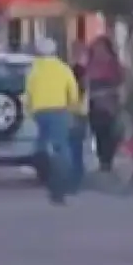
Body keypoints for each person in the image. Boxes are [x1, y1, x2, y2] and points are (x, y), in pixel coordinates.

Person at [26, 38, 81, 204]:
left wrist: (29, 111)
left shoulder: (34, 70)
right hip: (59, 111)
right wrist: (74, 110)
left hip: (39, 112)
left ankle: (45, 172)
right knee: (62, 149)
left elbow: (28, 92)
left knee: (41, 145)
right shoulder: (63, 69)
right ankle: (62, 184)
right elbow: (73, 91)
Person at [84, 35, 125, 172]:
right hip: (94, 105)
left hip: (109, 105)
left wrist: (107, 94)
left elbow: (121, 83)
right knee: (98, 133)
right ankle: (103, 163)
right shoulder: (90, 64)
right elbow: (85, 83)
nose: (98, 51)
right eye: (96, 48)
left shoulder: (113, 64)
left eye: (101, 48)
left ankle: (108, 162)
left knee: (110, 134)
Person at [68, 56, 89, 191]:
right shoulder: (84, 88)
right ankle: (78, 178)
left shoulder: (70, 86)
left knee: (73, 150)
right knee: (77, 150)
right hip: (80, 118)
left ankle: (74, 180)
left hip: (72, 118)